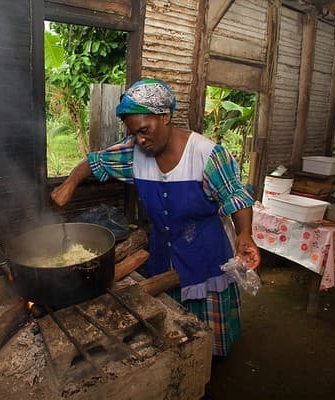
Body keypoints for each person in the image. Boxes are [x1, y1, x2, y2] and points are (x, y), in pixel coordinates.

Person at [51, 78, 260, 358]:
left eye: (145, 131)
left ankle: (208, 364)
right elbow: (95, 162)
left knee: (207, 335)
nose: (140, 140)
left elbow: (236, 196)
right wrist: (70, 184)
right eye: (134, 133)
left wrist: (245, 234)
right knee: (171, 326)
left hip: (206, 253)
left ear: (165, 116)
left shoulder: (207, 155)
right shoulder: (134, 152)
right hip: (164, 252)